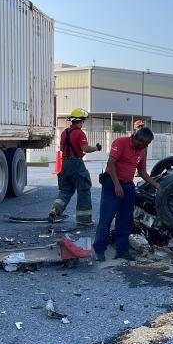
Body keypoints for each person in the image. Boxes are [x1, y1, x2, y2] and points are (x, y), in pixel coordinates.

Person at [93, 127, 159, 262]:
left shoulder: (141, 151)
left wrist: (158, 186)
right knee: (106, 219)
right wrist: (117, 185)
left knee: (125, 220)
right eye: (145, 144)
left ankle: (122, 251)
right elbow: (111, 164)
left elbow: (142, 172)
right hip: (112, 184)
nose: (146, 147)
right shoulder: (120, 143)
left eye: (147, 145)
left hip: (128, 187)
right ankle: (99, 251)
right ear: (138, 139)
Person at [48, 108, 102, 225]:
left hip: (65, 164)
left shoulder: (64, 132)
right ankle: (84, 220)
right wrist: (97, 148)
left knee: (66, 190)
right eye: (83, 121)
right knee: (84, 189)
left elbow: (62, 148)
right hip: (76, 164)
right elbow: (85, 149)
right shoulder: (79, 133)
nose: (83, 123)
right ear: (79, 121)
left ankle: (55, 211)